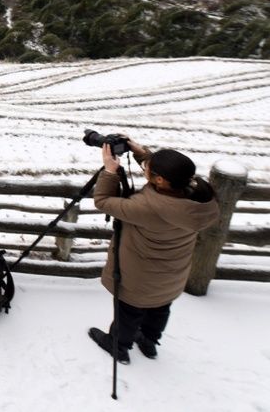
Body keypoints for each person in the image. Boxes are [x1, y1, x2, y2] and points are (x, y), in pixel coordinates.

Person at [88, 139, 220, 363]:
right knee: (160, 307)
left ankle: (118, 346)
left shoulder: (147, 208)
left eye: (148, 168)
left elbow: (102, 201)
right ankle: (149, 342)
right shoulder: (199, 196)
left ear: (159, 180)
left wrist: (110, 172)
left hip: (140, 276)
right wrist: (143, 154)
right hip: (172, 273)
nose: (145, 168)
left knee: (129, 313)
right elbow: (166, 176)